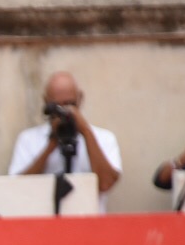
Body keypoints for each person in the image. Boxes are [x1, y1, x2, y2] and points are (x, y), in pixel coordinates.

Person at [7, 71, 122, 209]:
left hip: (90, 224)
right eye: (57, 106)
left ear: (80, 99)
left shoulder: (104, 138)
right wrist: (52, 143)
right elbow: (18, 189)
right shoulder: (29, 139)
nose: (64, 112)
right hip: (43, 226)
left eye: (70, 104)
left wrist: (85, 132)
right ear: (46, 102)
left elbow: (105, 184)